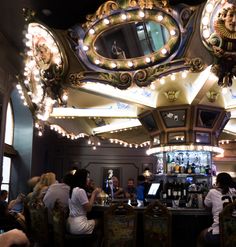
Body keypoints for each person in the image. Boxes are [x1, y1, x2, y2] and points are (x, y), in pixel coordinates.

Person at [197, 172, 236, 247]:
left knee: (201, 236)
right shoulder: (234, 191)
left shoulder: (212, 192)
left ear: (218, 182)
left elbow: (206, 205)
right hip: (234, 233)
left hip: (219, 233)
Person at [66, 169, 102, 235]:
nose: (88, 179)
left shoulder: (73, 189)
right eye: (87, 177)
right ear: (82, 178)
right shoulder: (80, 190)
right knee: (101, 221)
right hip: (79, 226)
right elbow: (88, 209)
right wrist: (94, 194)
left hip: (70, 223)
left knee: (94, 218)